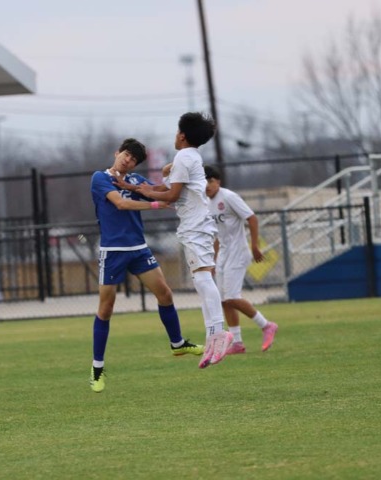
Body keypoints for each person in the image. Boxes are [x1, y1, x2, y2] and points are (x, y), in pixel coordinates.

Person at [89, 138, 204, 393]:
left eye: (133, 159)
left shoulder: (134, 180)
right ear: (117, 153)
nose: (128, 160)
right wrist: (154, 204)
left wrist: (172, 172)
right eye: (126, 155)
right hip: (113, 251)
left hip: (139, 249)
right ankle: (97, 368)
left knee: (165, 294)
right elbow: (121, 204)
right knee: (106, 309)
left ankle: (177, 344)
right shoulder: (100, 178)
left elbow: (162, 191)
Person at [136, 112, 233, 369]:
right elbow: (172, 187)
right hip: (198, 225)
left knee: (203, 280)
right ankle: (212, 337)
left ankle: (220, 333)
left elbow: (172, 195)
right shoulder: (191, 157)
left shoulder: (183, 157)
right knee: (202, 280)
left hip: (195, 226)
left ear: (181, 135)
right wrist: (147, 186)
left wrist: (147, 192)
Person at [204, 165, 278, 354]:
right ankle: (237, 343)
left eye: (210, 181)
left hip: (238, 253)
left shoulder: (229, 197)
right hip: (224, 255)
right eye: (203, 182)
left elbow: (252, 218)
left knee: (232, 297)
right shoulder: (206, 203)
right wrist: (213, 260)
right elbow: (217, 235)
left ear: (218, 181)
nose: (207, 185)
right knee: (224, 301)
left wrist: (254, 246)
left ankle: (266, 325)